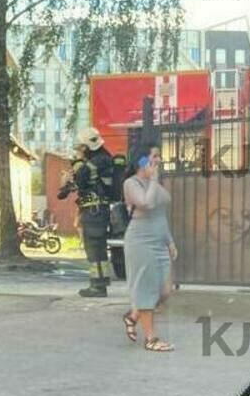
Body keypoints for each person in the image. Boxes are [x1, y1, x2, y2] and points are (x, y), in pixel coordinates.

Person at [119, 147, 176, 352]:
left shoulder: (154, 183)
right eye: (154, 156)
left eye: (159, 156)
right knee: (146, 289)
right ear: (142, 160)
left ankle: (134, 315)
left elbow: (160, 213)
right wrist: (152, 179)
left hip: (159, 241)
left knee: (165, 290)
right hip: (141, 242)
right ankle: (151, 339)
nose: (158, 160)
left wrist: (170, 241)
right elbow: (146, 203)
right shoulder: (131, 183)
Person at [72, 127, 116, 298]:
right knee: (98, 248)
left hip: (94, 211)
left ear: (86, 147)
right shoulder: (104, 158)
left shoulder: (95, 162)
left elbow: (81, 179)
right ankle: (100, 282)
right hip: (96, 210)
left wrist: (77, 163)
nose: (79, 150)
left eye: (80, 147)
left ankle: (98, 286)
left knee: (94, 248)